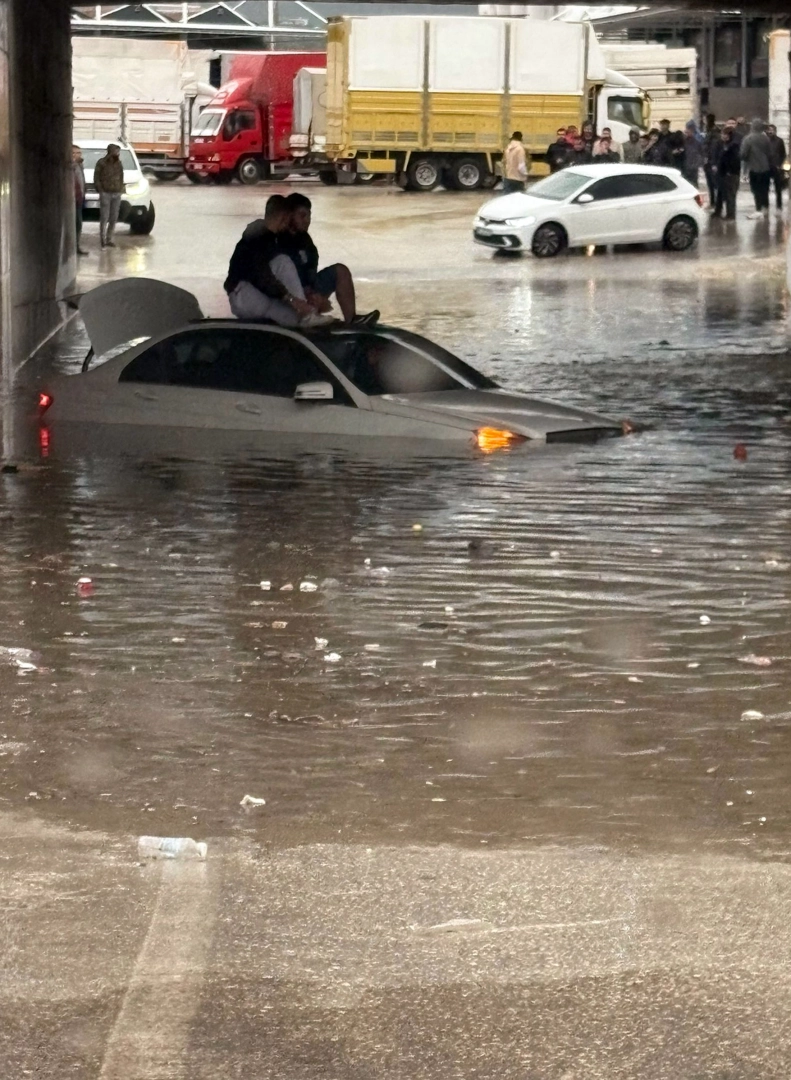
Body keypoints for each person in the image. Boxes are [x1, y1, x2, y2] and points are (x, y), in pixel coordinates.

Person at [224, 194, 332, 328]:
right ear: (283, 217)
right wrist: (292, 300)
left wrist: (305, 299)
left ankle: (307, 315)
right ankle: (307, 314)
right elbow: (262, 276)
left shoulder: (272, 237)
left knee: (295, 321)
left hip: (258, 296)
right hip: (243, 292)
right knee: (282, 261)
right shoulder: (256, 236)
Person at [277, 192, 379, 326]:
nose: (307, 220)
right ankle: (306, 314)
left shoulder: (306, 241)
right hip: (286, 294)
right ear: (290, 215)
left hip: (307, 290)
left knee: (341, 271)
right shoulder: (278, 240)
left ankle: (352, 320)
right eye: (302, 216)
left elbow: (311, 270)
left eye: (309, 216)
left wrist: (314, 293)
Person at [94, 143, 125, 248]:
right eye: (116, 151)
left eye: (118, 151)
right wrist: (100, 190)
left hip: (116, 193)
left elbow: (121, 177)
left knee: (114, 217)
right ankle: (102, 239)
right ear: (111, 151)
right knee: (104, 217)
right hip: (105, 193)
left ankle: (109, 238)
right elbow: (96, 177)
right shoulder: (101, 163)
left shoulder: (118, 163)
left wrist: (120, 188)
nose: (118, 153)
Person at [740, 118, 772, 219]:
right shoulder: (766, 138)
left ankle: (758, 209)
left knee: (756, 189)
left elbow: (743, 154)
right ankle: (765, 208)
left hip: (754, 168)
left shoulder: (748, 139)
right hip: (766, 167)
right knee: (764, 189)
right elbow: (770, 153)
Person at [713, 128, 741, 220]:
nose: (723, 136)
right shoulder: (721, 144)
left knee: (730, 195)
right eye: (722, 134)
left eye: (725, 134)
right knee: (720, 193)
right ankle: (718, 211)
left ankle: (730, 214)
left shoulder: (733, 146)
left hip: (730, 174)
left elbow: (735, 161)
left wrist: (730, 171)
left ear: (729, 136)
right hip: (722, 173)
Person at [766, 123, 786, 212]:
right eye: (769, 130)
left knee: (778, 187)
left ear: (775, 131)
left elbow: (783, 154)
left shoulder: (779, 141)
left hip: (776, 167)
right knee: (765, 187)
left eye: (772, 130)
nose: (770, 132)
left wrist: (780, 164)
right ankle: (765, 205)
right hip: (766, 167)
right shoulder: (764, 141)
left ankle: (779, 205)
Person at [72, 144, 88, 257]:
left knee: (78, 223)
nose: (77, 155)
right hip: (71, 199)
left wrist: (83, 194)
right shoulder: (70, 166)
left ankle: (76, 246)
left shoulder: (80, 165)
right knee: (72, 223)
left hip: (79, 198)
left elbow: (82, 180)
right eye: (74, 153)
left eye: (79, 153)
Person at [702, 113, 720, 206]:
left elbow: (713, 148)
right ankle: (713, 201)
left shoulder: (714, 132)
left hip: (711, 162)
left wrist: (711, 161)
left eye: (704, 119)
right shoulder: (709, 131)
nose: (703, 121)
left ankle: (716, 203)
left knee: (714, 183)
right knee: (710, 183)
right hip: (708, 162)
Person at [681, 119, 704, 188]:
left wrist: (698, 164)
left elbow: (701, 154)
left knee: (693, 185)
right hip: (685, 167)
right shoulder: (682, 141)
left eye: (690, 130)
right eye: (687, 129)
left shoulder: (697, 142)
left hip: (693, 168)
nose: (688, 131)